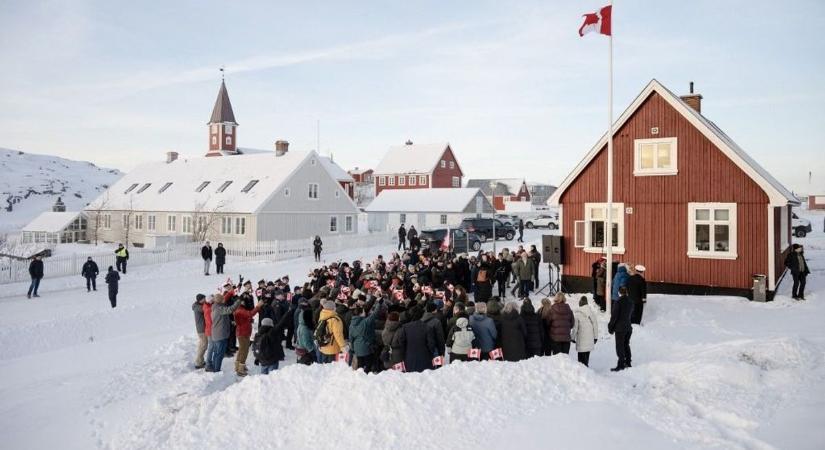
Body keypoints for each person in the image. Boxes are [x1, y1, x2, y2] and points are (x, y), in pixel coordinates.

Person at [393, 307, 436, 372]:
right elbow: (431, 344)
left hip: (409, 359)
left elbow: (401, 342)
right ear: (422, 315)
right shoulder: (427, 327)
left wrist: (405, 352)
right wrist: (430, 354)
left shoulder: (405, 327)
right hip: (425, 359)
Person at [206, 293, 241, 372]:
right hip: (220, 335)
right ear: (220, 300)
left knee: (217, 353)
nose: (224, 300)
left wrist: (230, 322)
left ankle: (215, 368)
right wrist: (238, 301)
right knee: (219, 354)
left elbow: (223, 318)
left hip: (219, 334)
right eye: (222, 299)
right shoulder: (218, 308)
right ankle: (216, 370)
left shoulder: (217, 307)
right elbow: (230, 309)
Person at [233, 298, 262, 376]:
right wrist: (258, 306)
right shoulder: (240, 310)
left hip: (244, 332)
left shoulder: (240, 309)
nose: (243, 302)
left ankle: (238, 366)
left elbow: (246, 317)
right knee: (244, 351)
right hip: (243, 333)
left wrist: (249, 320)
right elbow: (250, 313)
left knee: (241, 350)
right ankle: (240, 370)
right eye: (241, 301)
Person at [608, 286, 633, 371]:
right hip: (628, 327)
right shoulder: (630, 302)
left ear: (619, 293)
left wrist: (610, 327)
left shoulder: (618, 302)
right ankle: (628, 362)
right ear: (626, 292)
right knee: (626, 345)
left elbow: (614, 317)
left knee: (620, 346)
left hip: (620, 328)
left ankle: (621, 364)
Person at [572, 296, 598, 367]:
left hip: (581, 340)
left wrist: (572, 337)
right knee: (586, 357)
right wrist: (595, 337)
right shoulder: (591, 312)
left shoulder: (577, 314)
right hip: (589, 339)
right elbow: (595, 325)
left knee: (581, 360)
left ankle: (584, 372)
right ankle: (587, 370)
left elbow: (575, 328)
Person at [192, 294, 208, 369]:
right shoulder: (198, 307)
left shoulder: (198, 305)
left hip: (202, 328)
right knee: (204, 345)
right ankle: (198, 362)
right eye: (203, 299)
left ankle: (200, 360)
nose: (205, 300)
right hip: (201, 329)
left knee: (202, 345)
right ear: (200, 300)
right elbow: (205, 309)